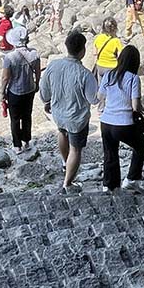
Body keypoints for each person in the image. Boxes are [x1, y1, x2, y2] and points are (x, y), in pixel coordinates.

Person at [39, 31, 98, 193]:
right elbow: (93, 99)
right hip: (77, 119)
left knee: (62, 133)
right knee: (76, 149)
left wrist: (46, 102)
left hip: (58, 114)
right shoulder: (85, 74)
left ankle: (66, 163)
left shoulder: (53, 65)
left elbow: (43, 90)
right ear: (83, 50)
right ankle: (68, 183)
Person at [99, 45, 144, 192]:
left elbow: (100, 97)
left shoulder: (108, 75)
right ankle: (132, 179)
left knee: (110, 153)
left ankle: (109, 185)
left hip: (106, 122)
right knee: (141, 147)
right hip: (123, 123)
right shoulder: (134, 78)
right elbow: (135, 106)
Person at [1, 26, 41, 154]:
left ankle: (17, 145)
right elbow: (38, 72)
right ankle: (27, 141)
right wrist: (37, 83)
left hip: (15, 91)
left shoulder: (9, 57)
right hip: (29, 89)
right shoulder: (34, 53)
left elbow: (5, 77)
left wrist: (2, 92)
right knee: (27, 116)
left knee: (15, 118)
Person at [93, 18, 124, 111]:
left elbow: (95, 53)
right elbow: (121, 55)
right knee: (113, 88)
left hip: (100, 66)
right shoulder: (116, 41)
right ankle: (112, 107)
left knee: (101, 87)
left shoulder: (98, 38)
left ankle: (101, 108)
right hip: (112, 67)